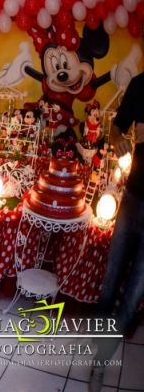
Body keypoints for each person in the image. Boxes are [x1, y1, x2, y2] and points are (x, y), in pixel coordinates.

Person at [91, 68, 144, 391]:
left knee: (135, 291)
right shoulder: (141, 85)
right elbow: (116, 127)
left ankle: (102, 362)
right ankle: (97, 351)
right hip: (134, 197)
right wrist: (118, 138)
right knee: (110, 281)